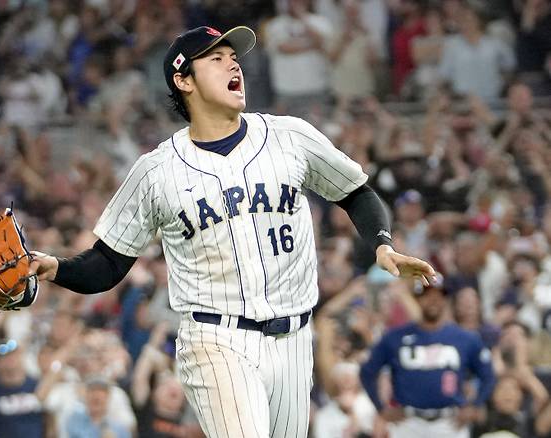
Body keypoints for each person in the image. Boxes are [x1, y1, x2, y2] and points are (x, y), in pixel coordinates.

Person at [27, 25, 435, 437]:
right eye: (216, 58)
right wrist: (54, 268)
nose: (232, 63)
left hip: (293, 338)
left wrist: (383, 246)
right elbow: (108, 263)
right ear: (183, 80)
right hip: (214, 337)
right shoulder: (156, 171)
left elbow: (356, 192)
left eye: (234, 57)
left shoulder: (288, 136)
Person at [359, 275, 496, 438]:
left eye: (439, 296)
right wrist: (381, 408)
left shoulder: (465, 338)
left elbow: (488, 375)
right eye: (427, 295)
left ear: (446, 300)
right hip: (408, 423)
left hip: (450, 422)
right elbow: (367, 372)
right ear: (417, 298)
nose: (433, 301)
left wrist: (475, 405)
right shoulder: (395, 337)